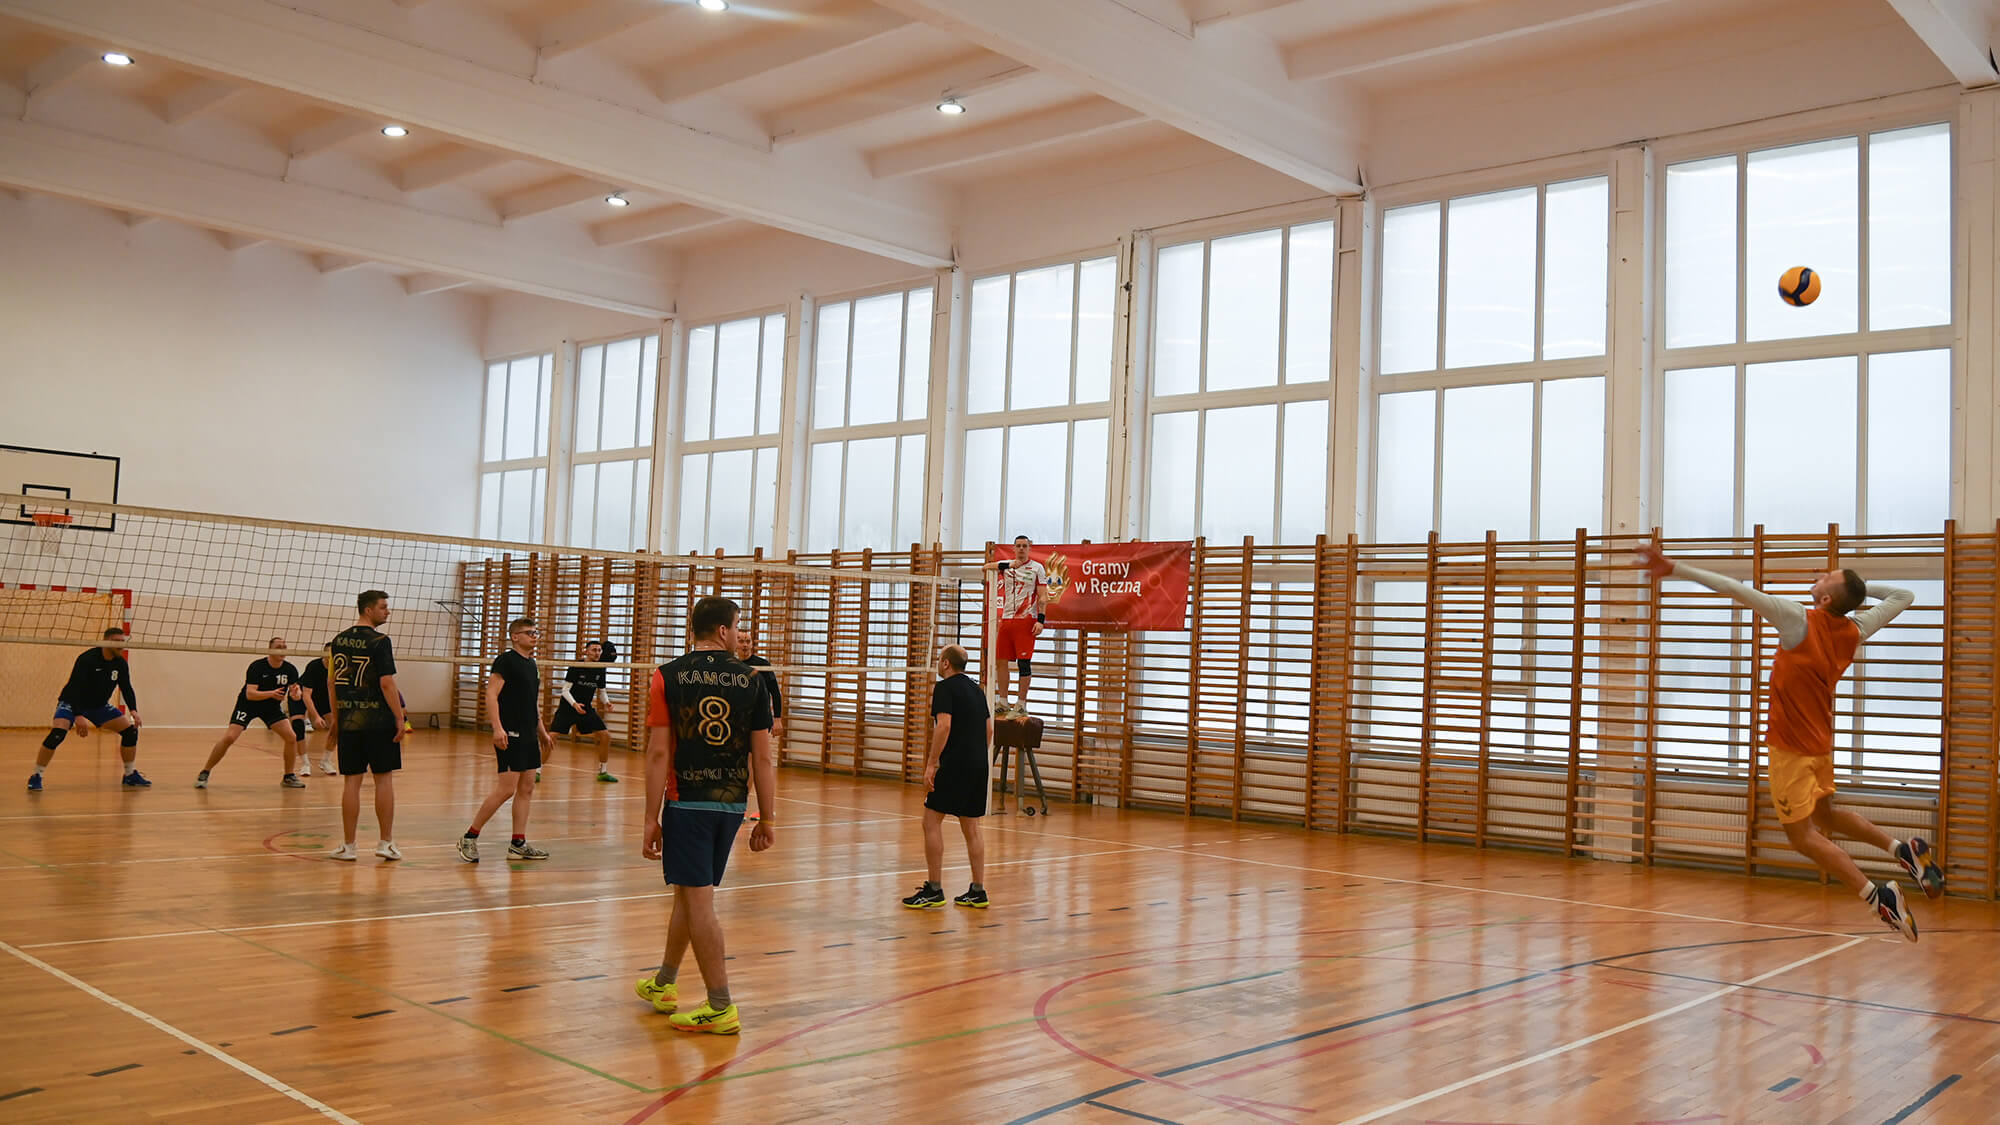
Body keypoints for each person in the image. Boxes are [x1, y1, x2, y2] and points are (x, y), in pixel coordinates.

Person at [1635, 543, 1944, 939]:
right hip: (1820, 745)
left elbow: (1734, 588)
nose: (1821, 575)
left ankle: (1878, 896)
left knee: (1801, 837)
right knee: (1826, 817)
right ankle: (1903, 850)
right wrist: (1854, 592)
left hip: (1791, 751)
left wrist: (1675, 568)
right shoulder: (1855, 628)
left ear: (1826, 598)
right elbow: (1904, 596)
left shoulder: (1797, 619)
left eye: (1827, 577)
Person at [634, 596, 775, 1036]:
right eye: (738, 626)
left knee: (698, 903)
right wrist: (768, 818)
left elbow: (658, 752)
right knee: (688, 894)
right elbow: (763, 758)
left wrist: (650, 817)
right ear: (722, 630)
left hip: (687, 803)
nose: (740, 635)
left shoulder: (667, 675)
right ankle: (664, 983)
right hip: (731, 805)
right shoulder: (753, 679)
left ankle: (720, 1006)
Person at [903, 645, 993, 910]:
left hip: (955, 764)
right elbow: (989, 730)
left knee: (930, 821)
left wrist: (932, 764)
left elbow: (944, 725)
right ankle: (978, 891)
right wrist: (976, 755)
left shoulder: (944, 688)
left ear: (945, 664)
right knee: (972, 827)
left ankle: (934, 889)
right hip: (979, 764)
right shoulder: (977, 690)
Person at [459, 618, 557, 862]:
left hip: (529, 734)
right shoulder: (506, 660)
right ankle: (469, 837)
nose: (534, 636)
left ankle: (518, 844)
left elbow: (532, 702)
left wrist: (542, 731)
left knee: (527, 788)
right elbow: (491, 694)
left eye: (536, 632)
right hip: (510, 732)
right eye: (529, 632)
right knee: (506, 789)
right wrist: (497, 728)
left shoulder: (532, 664)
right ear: (515, 636)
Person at [328, 590, 407, 862]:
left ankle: (349, 846)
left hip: (349, 720)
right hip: (378, 721)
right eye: (383, 607)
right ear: (368, 610)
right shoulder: (380, 641)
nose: (388, 611)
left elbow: (332, 683)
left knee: (351, 782)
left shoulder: (338, 640)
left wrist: (336, 719)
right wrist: (399, 717)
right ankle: (385, 842)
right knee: (383, 779)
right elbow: (387, 683)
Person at [29, 626, 147, 790]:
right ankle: (37, 775)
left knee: (130, 732)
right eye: (116, 641)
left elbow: (126, 687)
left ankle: (129, 775)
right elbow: (75, 688)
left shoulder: (120, 663)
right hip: (72, 701)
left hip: (98, 706)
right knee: (57, 734)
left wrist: (133, 710)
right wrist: (78, 715)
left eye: (122, 641)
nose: (121, 645)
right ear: (105, 642)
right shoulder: (87, 659)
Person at [196, 638, 304, 789]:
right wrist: (272, 693)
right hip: (248, 705)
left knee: (291, 737)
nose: (282, 650)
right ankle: (205, 771)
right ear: (270, 650)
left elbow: (295, 692)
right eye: (278, 647)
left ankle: (289, 776)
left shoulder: (290, 669)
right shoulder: (257, 666)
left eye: (284, 647)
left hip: (271, 707)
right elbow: (250, 694)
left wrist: (296, 694)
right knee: (230, 737)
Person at [981, 534, 1047, 717]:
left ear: (1029, 548)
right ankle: (1003, 701)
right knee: (1001, 661)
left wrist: (1041, 621)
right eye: (1018, 546)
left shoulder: (1037, 568)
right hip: (1007, 620)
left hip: (1026, 620)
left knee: (1023, 663)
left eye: (1025, 546)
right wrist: (1008, 565)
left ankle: (1021, 704)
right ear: (1013, 548)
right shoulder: (1007, 566)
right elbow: (986, 567)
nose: (1021, 549)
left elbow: (1043, 597)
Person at [550, 639, 619, 783]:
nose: (597, 653)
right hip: (568, 708)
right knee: (552, 737)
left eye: (599, 650)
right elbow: (565, 690)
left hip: (586, 708)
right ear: (586, 651)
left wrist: (607, 702)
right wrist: (574, 704)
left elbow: (601, 691)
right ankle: (536, 771)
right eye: (594, 650)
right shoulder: (577, 666)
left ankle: (603, 772)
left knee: (605, 736)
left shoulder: (601, 668)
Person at [735, 626, 783, 821]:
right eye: (741, 641)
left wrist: (777, 719)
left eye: (748, 641)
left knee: (755, 762)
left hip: (759, 722)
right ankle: (741, 806)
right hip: (737, 722)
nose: (745, 645)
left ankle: (750, 808)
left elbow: (775, 693)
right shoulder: (731, 664)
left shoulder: (762, 665)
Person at [298, 654, 335, 775]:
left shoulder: (340, 667)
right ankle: (305, 764)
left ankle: (326, 761)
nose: (331, 658)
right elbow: (306, 695)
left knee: (336, 726)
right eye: (328, 655)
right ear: (324, 655)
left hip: (322, 697)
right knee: (297, 725)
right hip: (301, 695)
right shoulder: (314, 666)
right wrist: (317, 716)